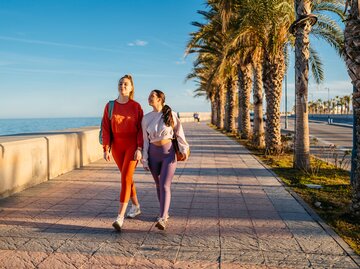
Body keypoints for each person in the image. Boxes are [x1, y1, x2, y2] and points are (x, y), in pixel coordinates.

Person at [141, 89, 190, 230]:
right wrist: (145, 158)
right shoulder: (146, 118)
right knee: (158, 185)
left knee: (164, 185)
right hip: (153, 154)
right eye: (149, 95)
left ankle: (162, 218)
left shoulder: (171, 114)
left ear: (160, 99)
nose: (149, 98)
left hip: (168, 154)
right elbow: (145, 140)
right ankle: (164, 212)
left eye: (152, 96)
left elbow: (179, 134)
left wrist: (184, 149)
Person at [101, 74, 143, 232]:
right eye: (120, 84)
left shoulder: (136, 106)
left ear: (131, 87)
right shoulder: (110, 106)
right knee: (127, 177)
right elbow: (106, 127)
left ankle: (120, 216)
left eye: (126, 84)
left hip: (132, 145)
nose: (122, 86)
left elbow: (140, 130)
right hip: (117, 146)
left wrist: (139, 148)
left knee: (125, 177)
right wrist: (106, 148)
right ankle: (136, 206)